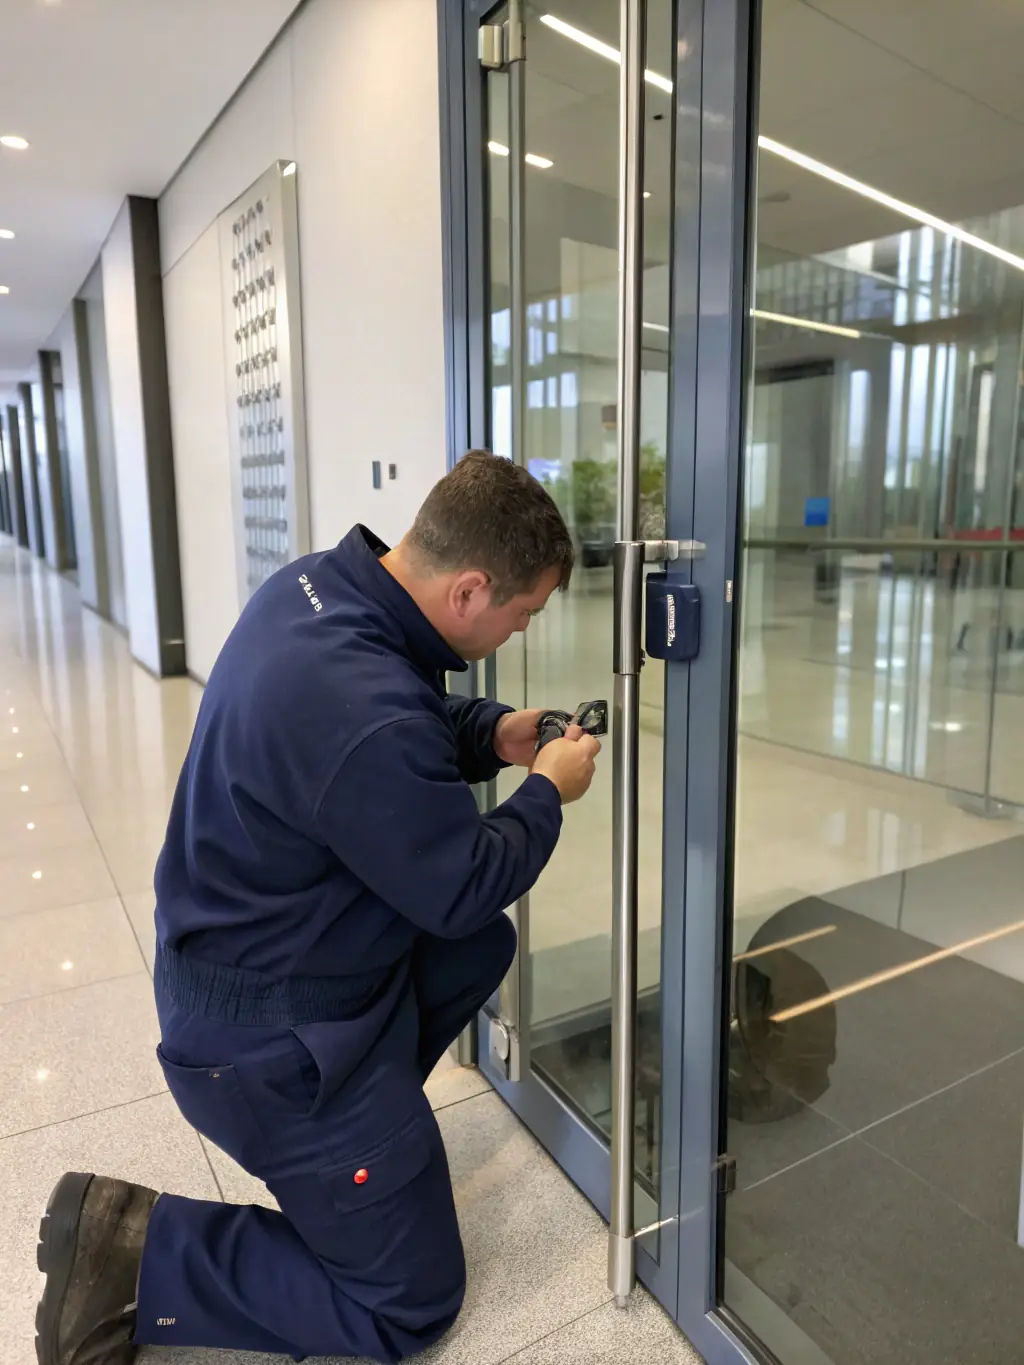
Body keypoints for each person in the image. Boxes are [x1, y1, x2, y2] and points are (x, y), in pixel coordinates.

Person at [34, 451, 601, 1365]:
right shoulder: (361, 706)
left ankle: (362, 1141)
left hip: (251, 970)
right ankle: (138, 1254)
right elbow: (458, 881)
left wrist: (491, 731)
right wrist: (545, 790)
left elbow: (407, 723)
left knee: (470, 952)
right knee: (410, 1304)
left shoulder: (318, 590)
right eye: (523, 612)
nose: (520, 629)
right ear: (468, 591)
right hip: (266, 1044)